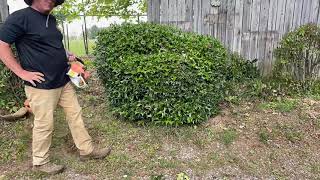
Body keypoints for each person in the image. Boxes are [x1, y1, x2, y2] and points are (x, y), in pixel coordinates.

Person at [0, 0, 111, 175]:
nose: (51, 1)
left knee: (76, 115)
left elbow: (52, 44)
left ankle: (86, 150)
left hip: (63, 80)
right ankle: (40, 162)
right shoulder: (19, 18)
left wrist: (66, 53)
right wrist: (21, 73)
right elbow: (2, 46)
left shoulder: (51, 20)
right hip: (41, 85)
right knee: (44, 124)